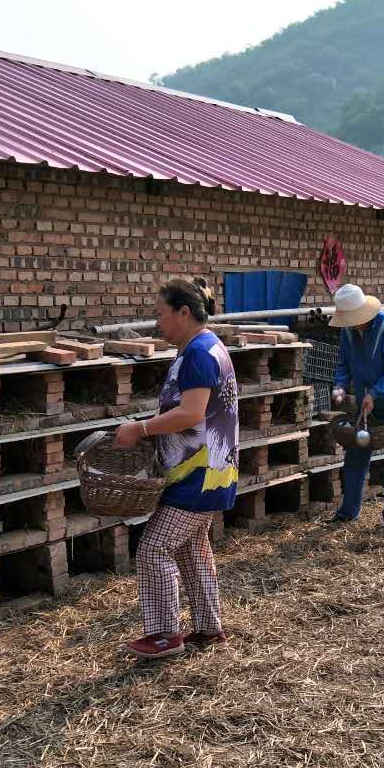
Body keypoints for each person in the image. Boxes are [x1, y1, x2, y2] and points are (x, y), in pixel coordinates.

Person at [113, 278, 238, 660]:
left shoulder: (199, 353)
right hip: (210, 470)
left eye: (160, 313)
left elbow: (191, 413)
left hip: (197, 473)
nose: (157, 322)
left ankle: (165, 634)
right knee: (191, 549)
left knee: (154, 548)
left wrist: (142, 429)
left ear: (184, 312)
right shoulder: (202, 347)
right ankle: (207, 626)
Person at [327, 283, 384, 528]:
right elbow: (344, 363)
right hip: (366, 405)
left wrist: (375, 393)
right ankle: (348, 512)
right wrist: (340, 386)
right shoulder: (348, 331)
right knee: (354, 460)